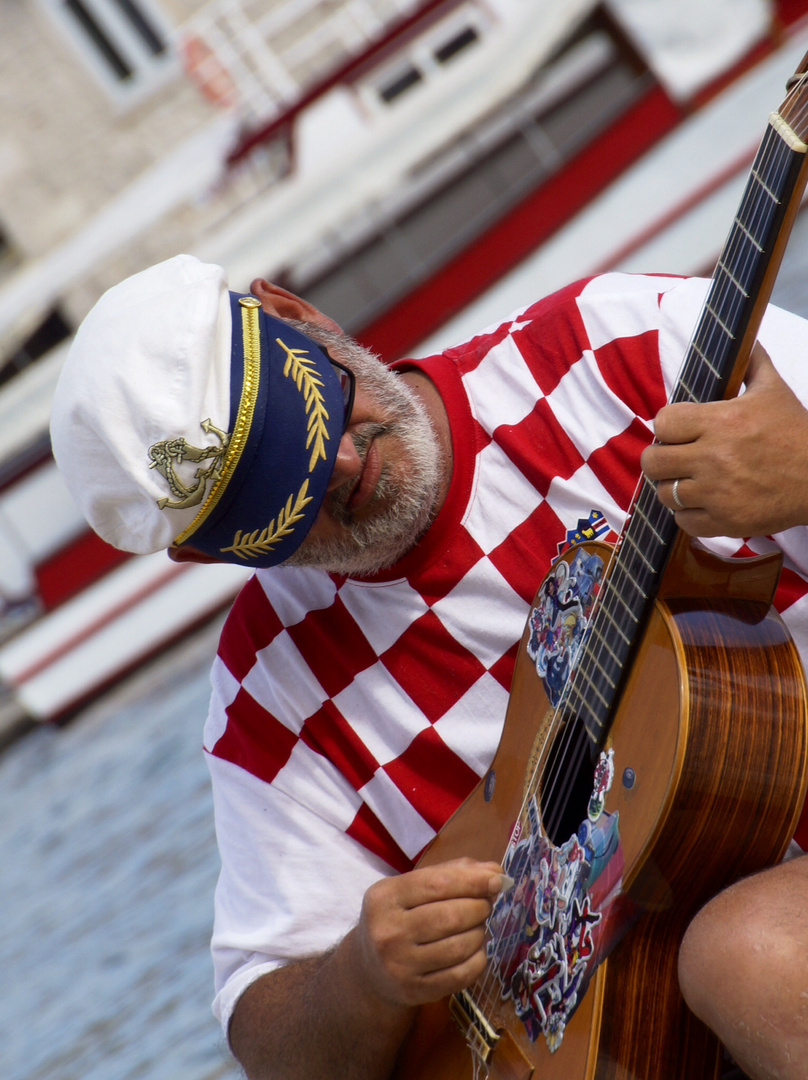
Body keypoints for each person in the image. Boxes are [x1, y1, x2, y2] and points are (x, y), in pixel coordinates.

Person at [50, 254, 808, 1080]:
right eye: (292, 498)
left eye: (320, 407)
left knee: (746, 958)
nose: (344, 464)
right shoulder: (272, 695)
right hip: (660, 1027)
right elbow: (267, 1028)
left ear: (297, 312)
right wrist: (363, 976)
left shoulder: (627, 349)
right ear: (206, 555)